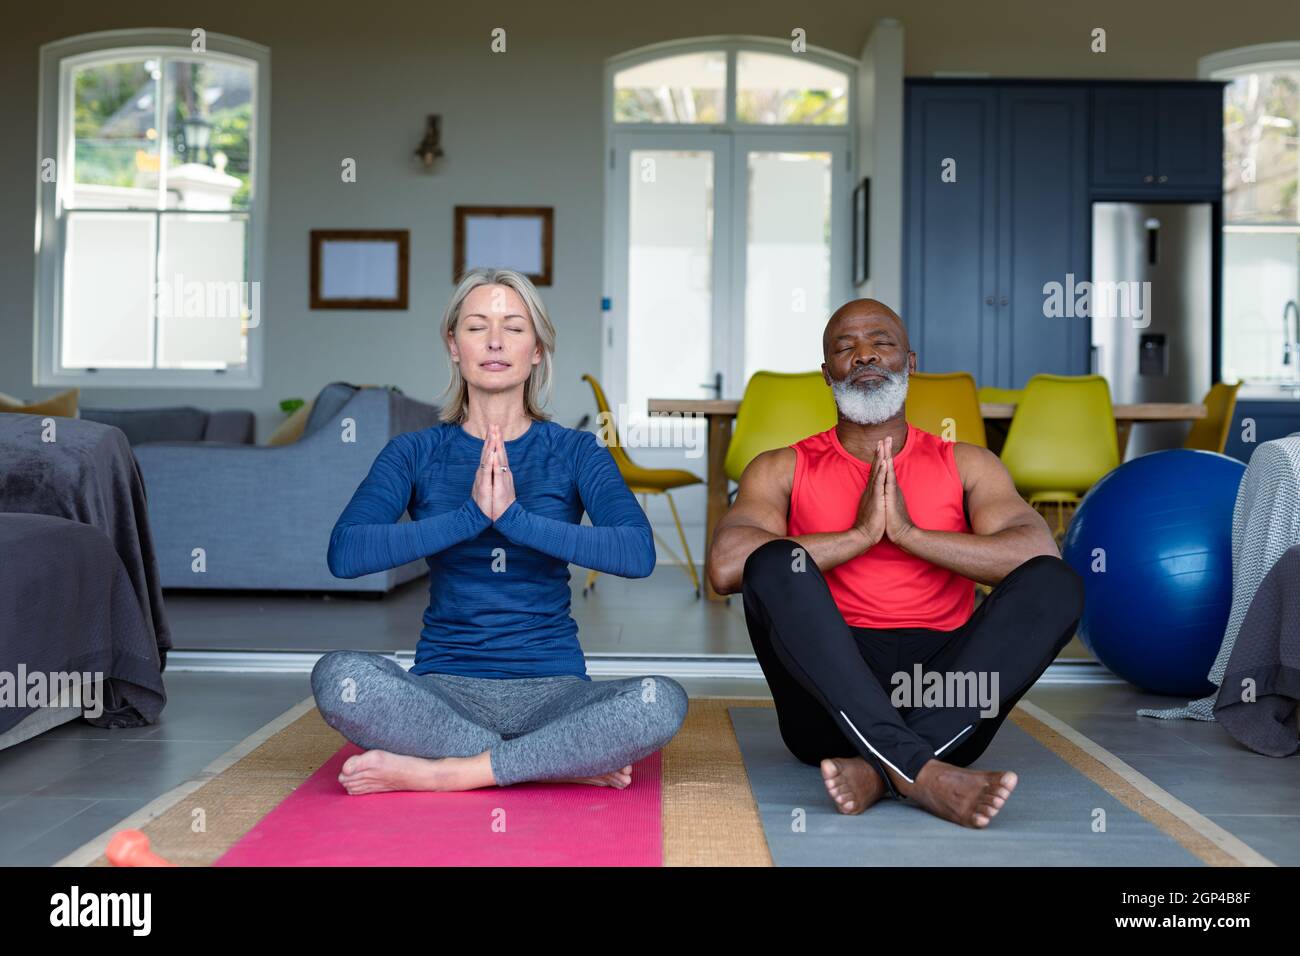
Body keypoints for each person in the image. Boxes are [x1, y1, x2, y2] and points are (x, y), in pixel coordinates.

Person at [708, 298, 1085, 828]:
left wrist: (910, 534)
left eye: (881, 343)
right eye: (845, 347)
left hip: (945, 695)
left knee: (1056, 582)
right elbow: (726, 567)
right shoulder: (781, 467)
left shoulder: (967, 462)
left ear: (909, 362)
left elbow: (1034, 553)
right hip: (827, 699)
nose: (864, 355)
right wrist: (860, 535)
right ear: (827, 374)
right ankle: (924, 774)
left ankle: (878, 769)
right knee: (773, 563)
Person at [312, 267, 688, 795]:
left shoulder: (576, 451)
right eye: (476, 326)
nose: (494, 341)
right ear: (453, 344)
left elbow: (637, 552)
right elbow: (345, 553)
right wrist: (469, 518)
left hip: (554, 693)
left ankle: (452, 771)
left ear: (537, 349)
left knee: (662, 700)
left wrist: (515, 520)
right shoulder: (414, 452)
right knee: (338, 679)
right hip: (443, 691)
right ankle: (552, 761)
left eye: (513, 327)